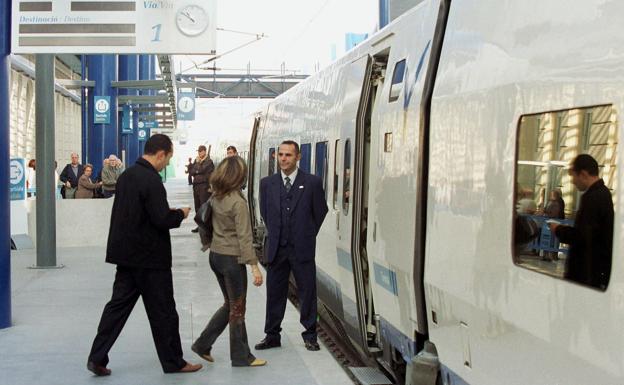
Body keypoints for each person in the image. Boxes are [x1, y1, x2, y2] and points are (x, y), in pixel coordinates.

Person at [86, 134, 202, 376]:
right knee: (164, 313)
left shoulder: (127, 176)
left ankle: (97, 357)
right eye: (168, 159)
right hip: (150, 260)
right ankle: (174, 362)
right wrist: (180, 213)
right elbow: (161, 219)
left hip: (126, 257)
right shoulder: (151, 180)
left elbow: (135, 213)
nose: (167, 164)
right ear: (160, 154)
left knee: (116, 309)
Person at [192, 156, 266, 367]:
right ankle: (241, 356)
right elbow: (244, 237)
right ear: (239, 176)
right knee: (237, 308)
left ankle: (203, 344)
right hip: (232, 259)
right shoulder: (237, 202)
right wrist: (254, 267)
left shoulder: (216, 197)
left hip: (215, 256)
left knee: (231, 305)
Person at [255, 140, 328, 352]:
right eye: (281, 155)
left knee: (307, 292)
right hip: (277, 248)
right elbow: (265, 212)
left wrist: (306, 233)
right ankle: (272, 335)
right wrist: (278, 232)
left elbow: (319, 211)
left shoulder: (312, 182)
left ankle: (310, 335)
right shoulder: (267, 183)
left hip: (302, 248)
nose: (283, 159)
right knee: (274, 293)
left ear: (298, 158)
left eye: (288, 155)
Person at [550, 154, 614, 289]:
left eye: (574, 176)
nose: (573, 181)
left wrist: (558, 229)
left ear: (583, 174)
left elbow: (582, 236)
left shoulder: (592, 198)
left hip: (585, 274)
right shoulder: (604, 193)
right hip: (595, 272)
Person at [190, 145, 215, 233]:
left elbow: (206, 173)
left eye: (200, 151)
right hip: (196, 187)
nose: (199, 153)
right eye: (198, 151)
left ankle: (206, 227)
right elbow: (191, 171)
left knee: (204, 207)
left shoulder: (209, 162)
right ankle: (199, 226)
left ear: (205, 151)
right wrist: (198, 170)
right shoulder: (196, 161)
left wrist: (197, 170)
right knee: (197, 207)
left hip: (204, 187)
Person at [542, 189, 565, 261]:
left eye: (553, 194)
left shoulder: (558, 202)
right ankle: (546, 255)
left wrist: (546, 211)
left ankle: (552, 255)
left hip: (555, 222)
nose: (551, 195)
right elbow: (546, 209)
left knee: (553, 240)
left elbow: (555, 212)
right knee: (546, 238)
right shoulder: (550, 201)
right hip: (548, 222)